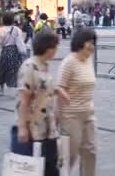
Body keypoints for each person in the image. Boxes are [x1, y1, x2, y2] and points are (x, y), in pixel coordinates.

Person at [14, 32, 65, 176]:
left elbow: (43, 88)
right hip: (34, 129)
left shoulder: (44, 65)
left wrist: (58, 91)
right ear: (47, 48)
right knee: (36, 168)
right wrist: (22, 127)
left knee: (50, 166)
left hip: (48, 126)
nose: (56, 50)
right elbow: (23, 100)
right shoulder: (29, 66)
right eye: (55, 47)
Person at [57, 29, 98, 176]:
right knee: (70, 156)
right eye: (90, 42)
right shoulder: (69, 62)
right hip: (71, 115)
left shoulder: (88, 61)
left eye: (94, 42)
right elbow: (59, 87)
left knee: (90, 151)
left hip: (88, 113)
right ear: (81, 43)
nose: (93, 46)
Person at [0, 12, 27, 95]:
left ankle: (1, 88)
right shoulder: (16, 29)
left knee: (2, 69)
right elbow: (20, 41)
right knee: (16, 69)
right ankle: (16, 87)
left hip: (5, 50)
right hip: (14, 51)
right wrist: (23, 51)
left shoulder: (1, 29)